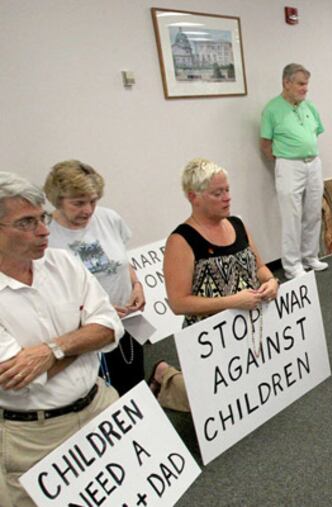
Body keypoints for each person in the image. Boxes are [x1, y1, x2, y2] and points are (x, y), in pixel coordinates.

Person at [0, 172, 123, 507]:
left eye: (41, 218)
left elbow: (110, 327)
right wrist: (85, 343)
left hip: (100, 407)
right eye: (26, 222)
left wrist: (51, 350)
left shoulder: (63, 262)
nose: (44, 230)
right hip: (36, 436)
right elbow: (18, 378)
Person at [156, 158, 279, 412]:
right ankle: (165, 377)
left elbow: (259, 267)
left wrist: (271, 281)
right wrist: (232, 302)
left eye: (227, 190)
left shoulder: (237, 224)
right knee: (214, 405)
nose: (227, 198)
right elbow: (178, 303)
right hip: (210, 337)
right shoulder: (181, 240)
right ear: (194, 197)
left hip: (248, 327)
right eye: (217, 193)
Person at [44, 160, 146, 396]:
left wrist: (136, 283)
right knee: (101, 394)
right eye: (78, 203)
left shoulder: (109, 218)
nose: (88, 210)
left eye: (93, 201)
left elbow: (121, 259)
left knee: (133, 384)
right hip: (86, 332)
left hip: (126, 321)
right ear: (58, 200)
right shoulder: (47, 235)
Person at [260, 63, 328, 280]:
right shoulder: (272, 109)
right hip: (289, 165)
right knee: (292, 216)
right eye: (300, 84)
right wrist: (285, 160)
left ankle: (310, 256)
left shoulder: (309, 107)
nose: (305, 88)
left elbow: (314, 134)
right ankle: (292, 266)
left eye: (306, 84)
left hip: (313, 163)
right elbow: (265, 144)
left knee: (313, 212)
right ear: (286, 83)